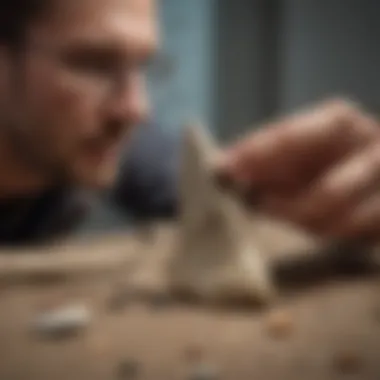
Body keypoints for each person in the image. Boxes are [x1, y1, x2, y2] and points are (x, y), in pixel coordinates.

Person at [0, 0, 378, 246]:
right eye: (95, 64)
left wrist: (317, 189)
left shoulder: (96, 143)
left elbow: (217, 190)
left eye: (144, 66)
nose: (136, 109)